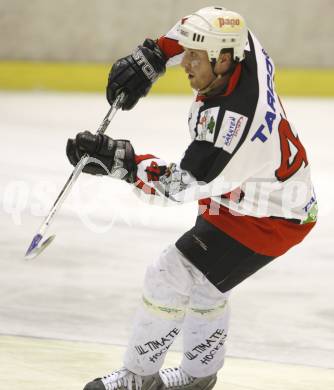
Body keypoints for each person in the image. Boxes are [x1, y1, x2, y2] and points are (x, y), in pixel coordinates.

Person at [66, 6, 318, 390]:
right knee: (206, 285)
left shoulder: (232, 130)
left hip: (268, 216)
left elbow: (180, 186)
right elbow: (195, 25)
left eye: (195, 57)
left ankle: (139, 377)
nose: (185, 62)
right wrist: (154, 54)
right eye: (186, 53)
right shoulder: (242, 42)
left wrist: (122, 161)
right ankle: (198, 376)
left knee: (169, 274)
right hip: (264, 194)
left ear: (223, 60)